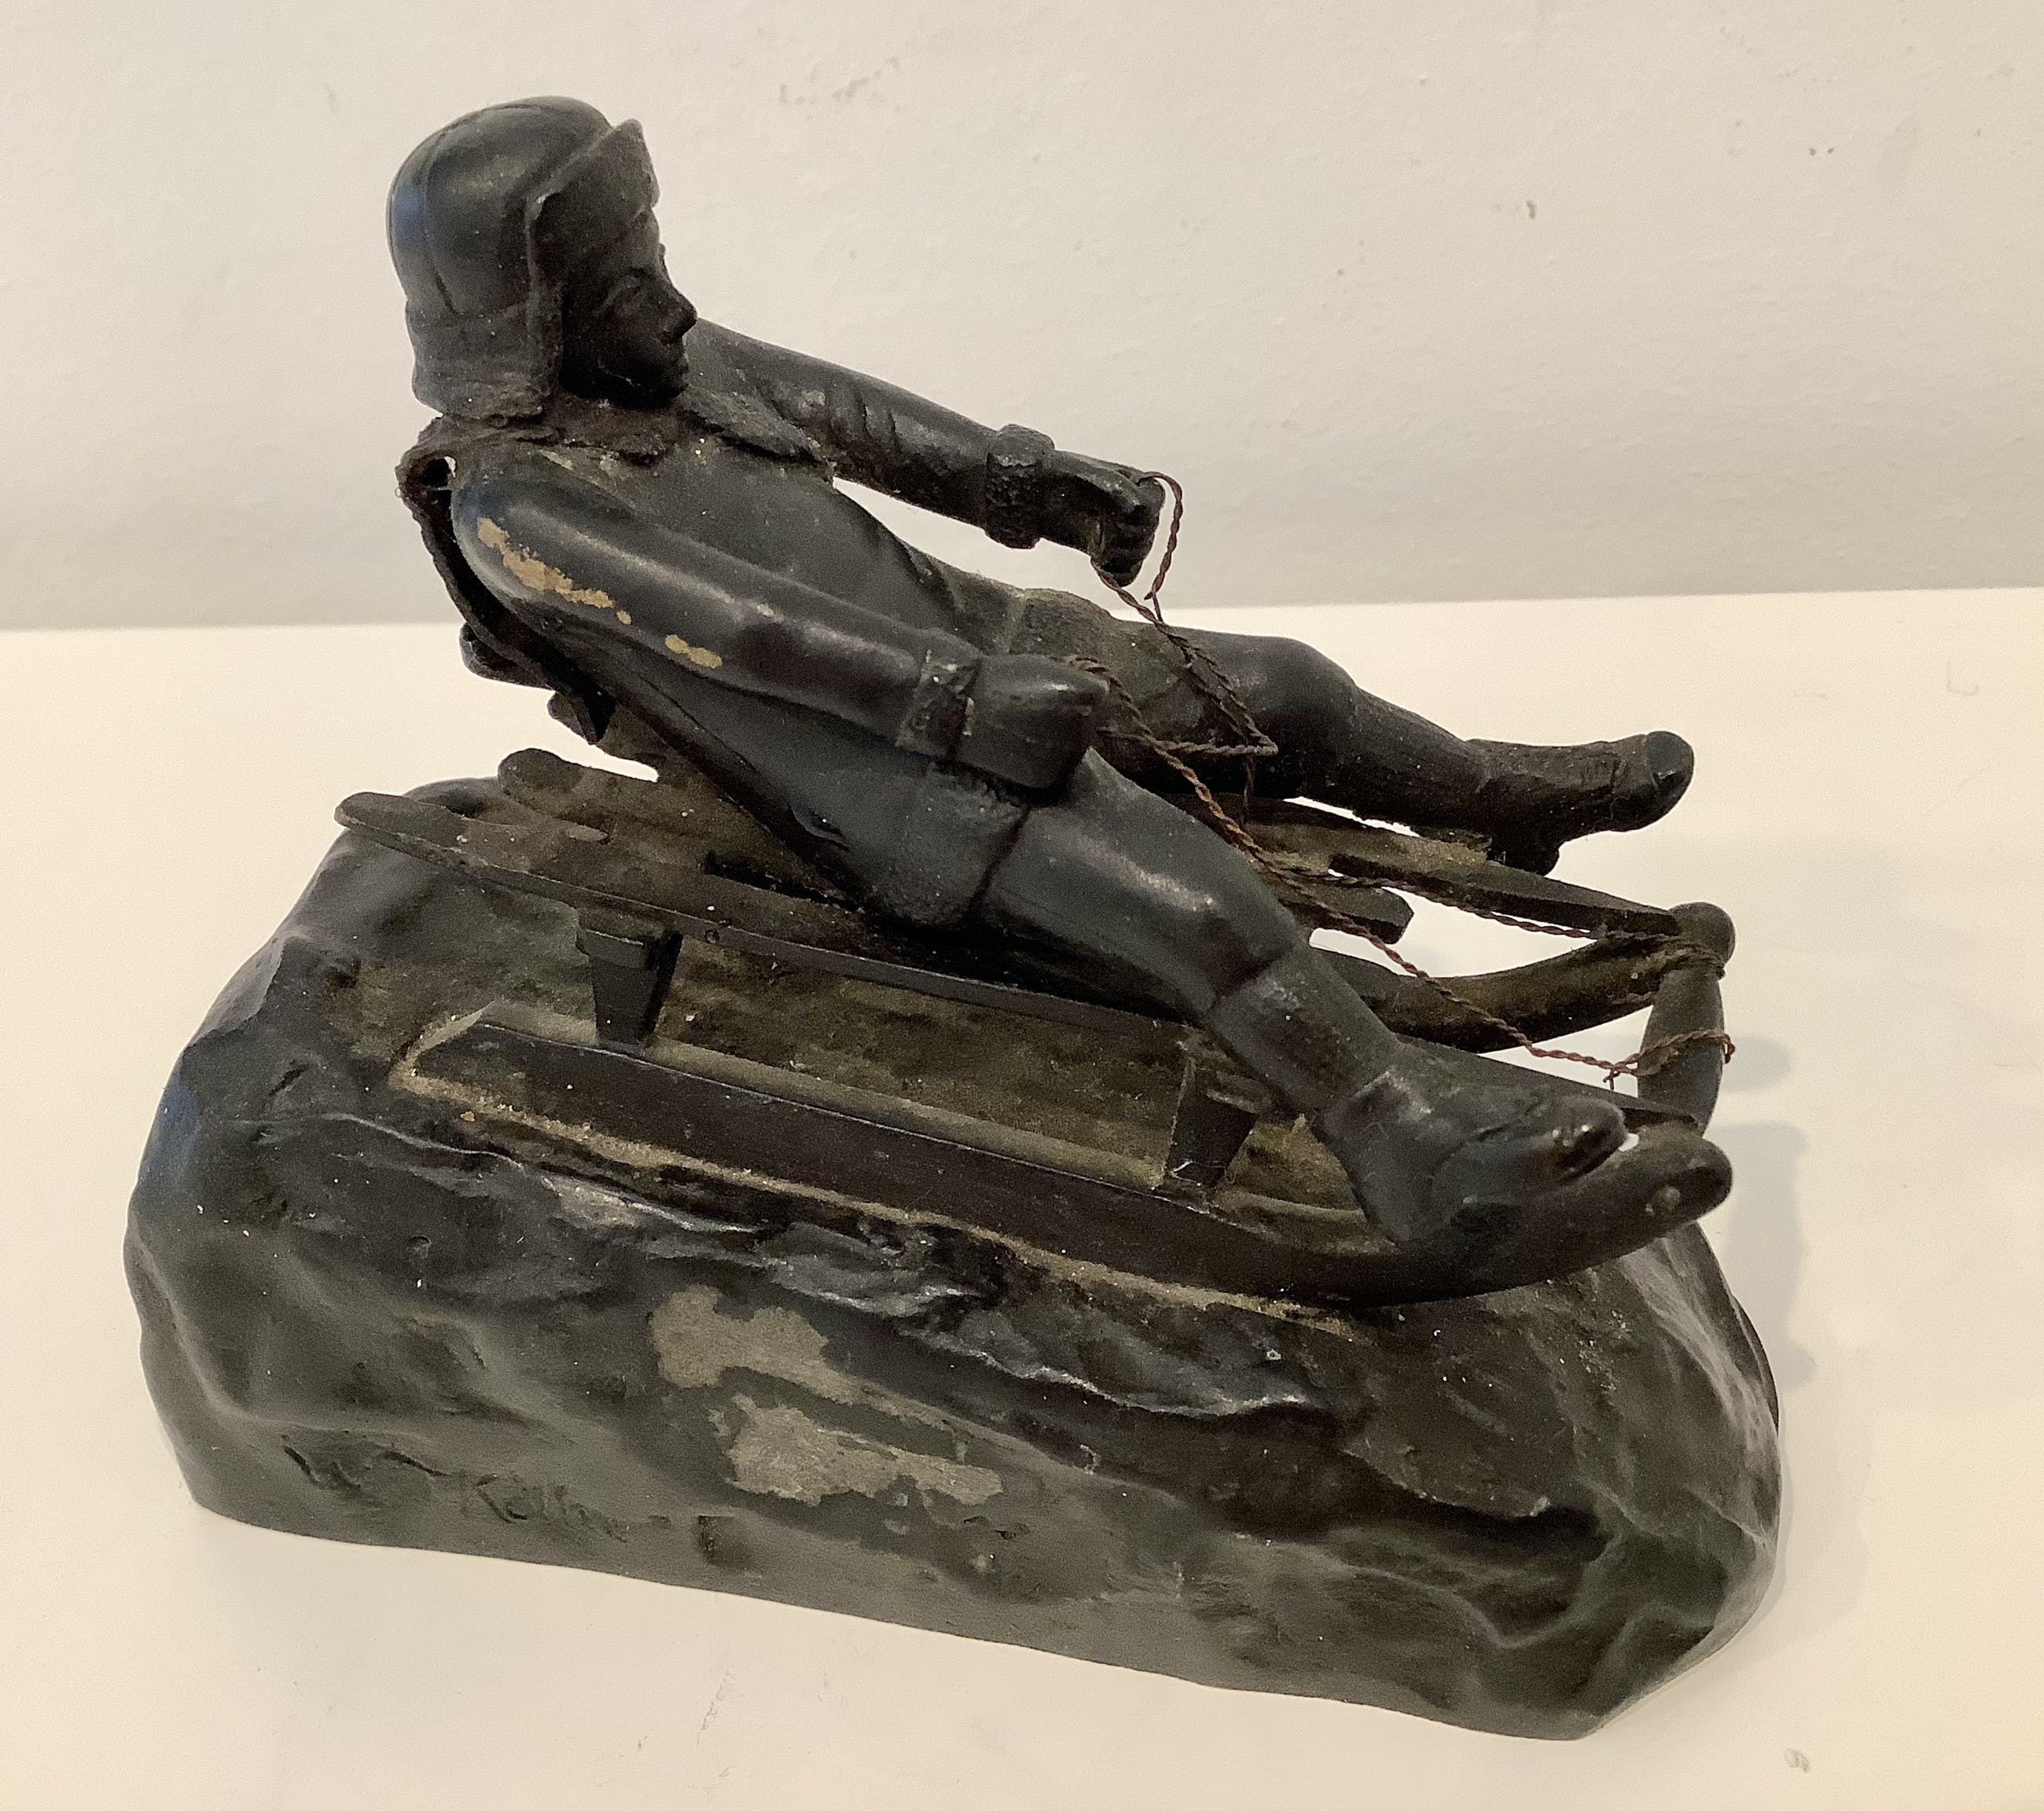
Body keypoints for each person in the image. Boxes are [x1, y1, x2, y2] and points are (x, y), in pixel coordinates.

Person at [388, 97, 1728, 1249]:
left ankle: (1494, 799)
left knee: (1285, 689)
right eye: (625, 290)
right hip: (883, 778)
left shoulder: (677, 366)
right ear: (533, 324)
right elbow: (749, 633)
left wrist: (1037, 485)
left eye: (657, 263)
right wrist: (956, 705)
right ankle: (1401, 1135)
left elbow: (862, 418)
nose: (673, 306)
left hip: (999, 646)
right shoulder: (521, 508)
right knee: (1189, 899)